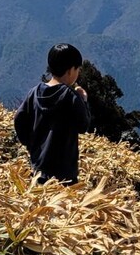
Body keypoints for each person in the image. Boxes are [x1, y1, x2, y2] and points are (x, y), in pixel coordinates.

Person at [14, 43, 92, 185]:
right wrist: (84, 100)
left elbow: (19, 119)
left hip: (38, 167)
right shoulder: (71, 96)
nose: (78, 73)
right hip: (64, 173)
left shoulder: (34, 93)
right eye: (77, 69)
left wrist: (31, 145)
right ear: (70, 71)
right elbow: (83, 126)